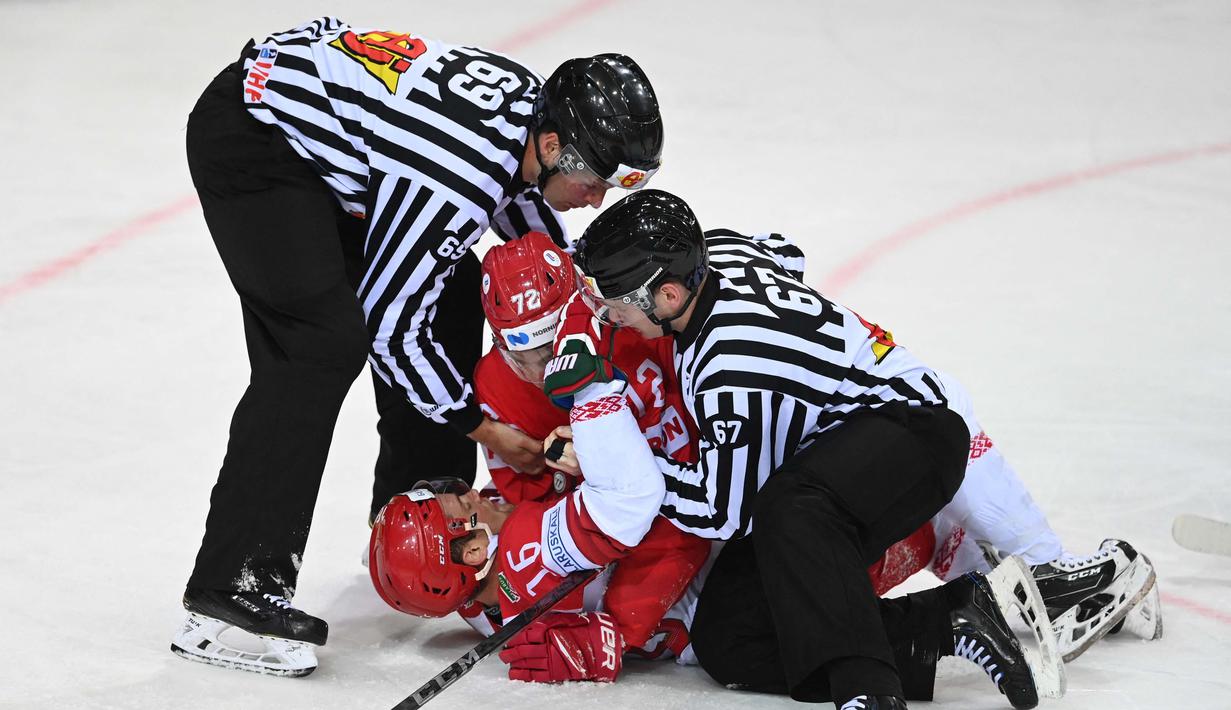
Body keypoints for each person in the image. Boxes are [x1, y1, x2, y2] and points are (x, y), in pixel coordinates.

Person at [172, 15, 663, 677]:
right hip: (257, 142)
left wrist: (576, 278)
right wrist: (483, 428)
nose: (598, 196)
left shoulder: (524, 123)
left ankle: (416, 506)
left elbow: (520, 222)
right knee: (318, 346)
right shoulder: (455, 172)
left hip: (315, 128)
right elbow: (392, 323)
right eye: (597, 180)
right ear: (550, 144)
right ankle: (233, 584)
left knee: (450, 283)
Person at [560, 189, 1062, 708]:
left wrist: (626, 471)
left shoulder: (730, 371)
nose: (608, 314)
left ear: (667, 296)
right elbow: (783, 252)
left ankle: (868, 691)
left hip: (914, 433)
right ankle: (952, 618)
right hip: (841, 450)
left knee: (789, 507)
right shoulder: (719, 252)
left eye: (615, 302)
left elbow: (723, 512)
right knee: (731, 639)